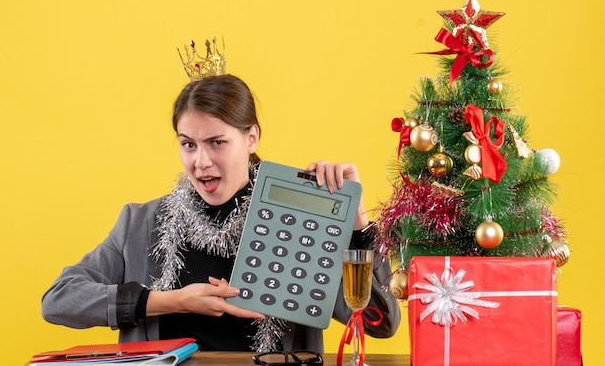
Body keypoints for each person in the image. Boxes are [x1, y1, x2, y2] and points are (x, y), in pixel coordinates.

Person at [41, 73, 400, 352]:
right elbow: (59, 300)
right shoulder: (141, 223)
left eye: (217, 142)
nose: (201, 162)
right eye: (188, 144)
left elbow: (379, 322)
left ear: (251, 138)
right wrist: (170, 302)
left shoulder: (301, 216)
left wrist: (355, 223)